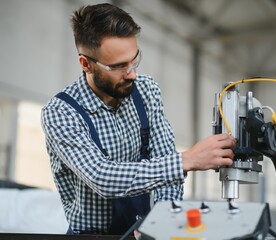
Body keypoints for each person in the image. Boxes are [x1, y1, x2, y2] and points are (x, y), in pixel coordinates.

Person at [41, 3, 235, 236]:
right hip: (91, 236)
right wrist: (186, 160)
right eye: (119, 66)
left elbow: (166, 168)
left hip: (142, 232)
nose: (132, 73)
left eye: (134, 60)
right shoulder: (61, 112)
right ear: (86, 64)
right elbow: (103, 178)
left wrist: (160, 222)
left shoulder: (145, 91)